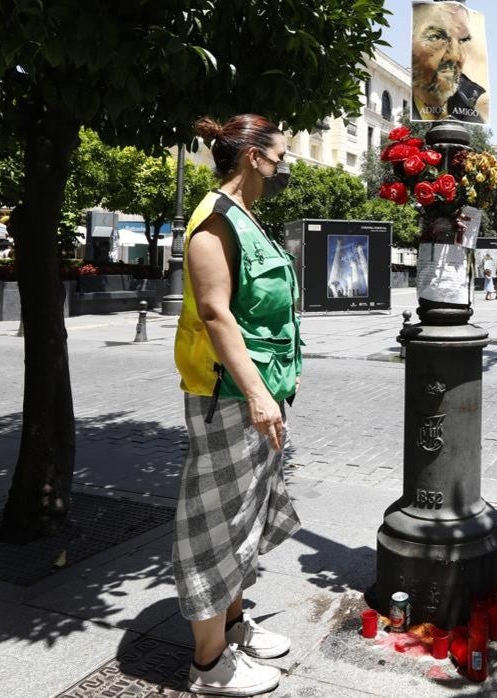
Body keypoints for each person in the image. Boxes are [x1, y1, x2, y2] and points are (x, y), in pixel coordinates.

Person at [172, 114, 303, 696]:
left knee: (246, 514)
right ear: (252, 158)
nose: (282, 170)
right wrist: (255, 393)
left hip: (256, 390)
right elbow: (216, 313)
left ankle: (231, 626)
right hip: (228, 395)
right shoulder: (215, 221)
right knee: (216, 522)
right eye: (278, 159)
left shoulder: (245, 217)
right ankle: (209, 664)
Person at [410, 2, 489, 123]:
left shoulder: (473, 113)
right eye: (436, 37)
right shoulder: (405, 104)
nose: (455, 56)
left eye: (462, 40)